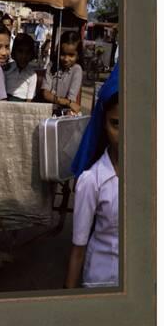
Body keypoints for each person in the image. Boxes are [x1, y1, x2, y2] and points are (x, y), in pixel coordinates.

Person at [65, 65, 119, 289]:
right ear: (103, 124)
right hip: (101, 282)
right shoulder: (92, 180)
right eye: (116, 123)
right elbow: (78, 249)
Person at [41, 30, 83, 114]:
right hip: (48, 108)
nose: (66, 59)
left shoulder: (77, 70)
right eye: (63, 54)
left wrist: (67, 103)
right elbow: (45, 94)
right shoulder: (52, 65)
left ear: (78, 55)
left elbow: (71, 98)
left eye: (71, 55)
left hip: (64, 110)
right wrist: (66, 102)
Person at [4, 33, 37, 102]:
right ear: (14, 52)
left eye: (27, 52)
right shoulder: (7, 68)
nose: (24, 56)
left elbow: (29, 100)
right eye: (20, 51)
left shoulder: (32, 75)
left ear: (31, 54)